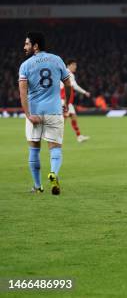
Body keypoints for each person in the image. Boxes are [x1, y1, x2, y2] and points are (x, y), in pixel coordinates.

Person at [18, 32, 72, 195]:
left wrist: (28, 114)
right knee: (55, 149)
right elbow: (68, 84)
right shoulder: (57, 60)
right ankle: (53, 173)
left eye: (27, 44)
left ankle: (37, 186)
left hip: (35, 112)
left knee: (34, 150)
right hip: (54, 111)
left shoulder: (25, 65)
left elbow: (22, 92)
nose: (24, 47)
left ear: (35, 46)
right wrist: (67, 104)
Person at [60, 59, 91, 142]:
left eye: (75, 65)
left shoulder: (66, 73)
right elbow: (74, 86)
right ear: (69, 65)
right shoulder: (68, 74)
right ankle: (56, 137)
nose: (75, 67)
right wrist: (85, 92)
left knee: (73, 117)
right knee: (63, 119)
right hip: (64, 100)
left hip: (67, 101)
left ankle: (79, 136)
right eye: (74, 65)